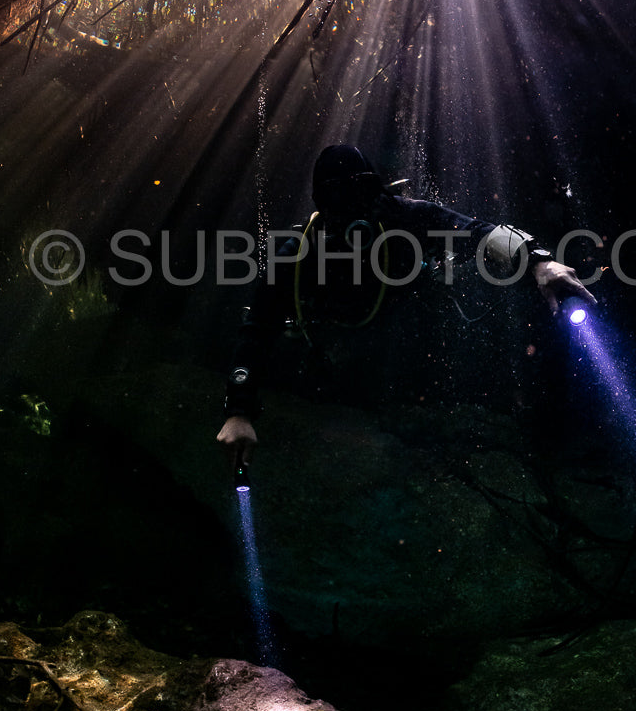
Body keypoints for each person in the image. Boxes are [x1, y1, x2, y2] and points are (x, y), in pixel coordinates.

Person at [217, 144, 595, 472]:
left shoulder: (405, 216)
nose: (353, 214)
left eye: (360, 194)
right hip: (335, 343)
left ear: (377, 194)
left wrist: (538, 259)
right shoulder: (296, 254)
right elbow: (256, 329)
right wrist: (238, 410)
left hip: (408, 326)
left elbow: (478, 231)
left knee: (458, 278)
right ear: (321, 209)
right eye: (338, 201)